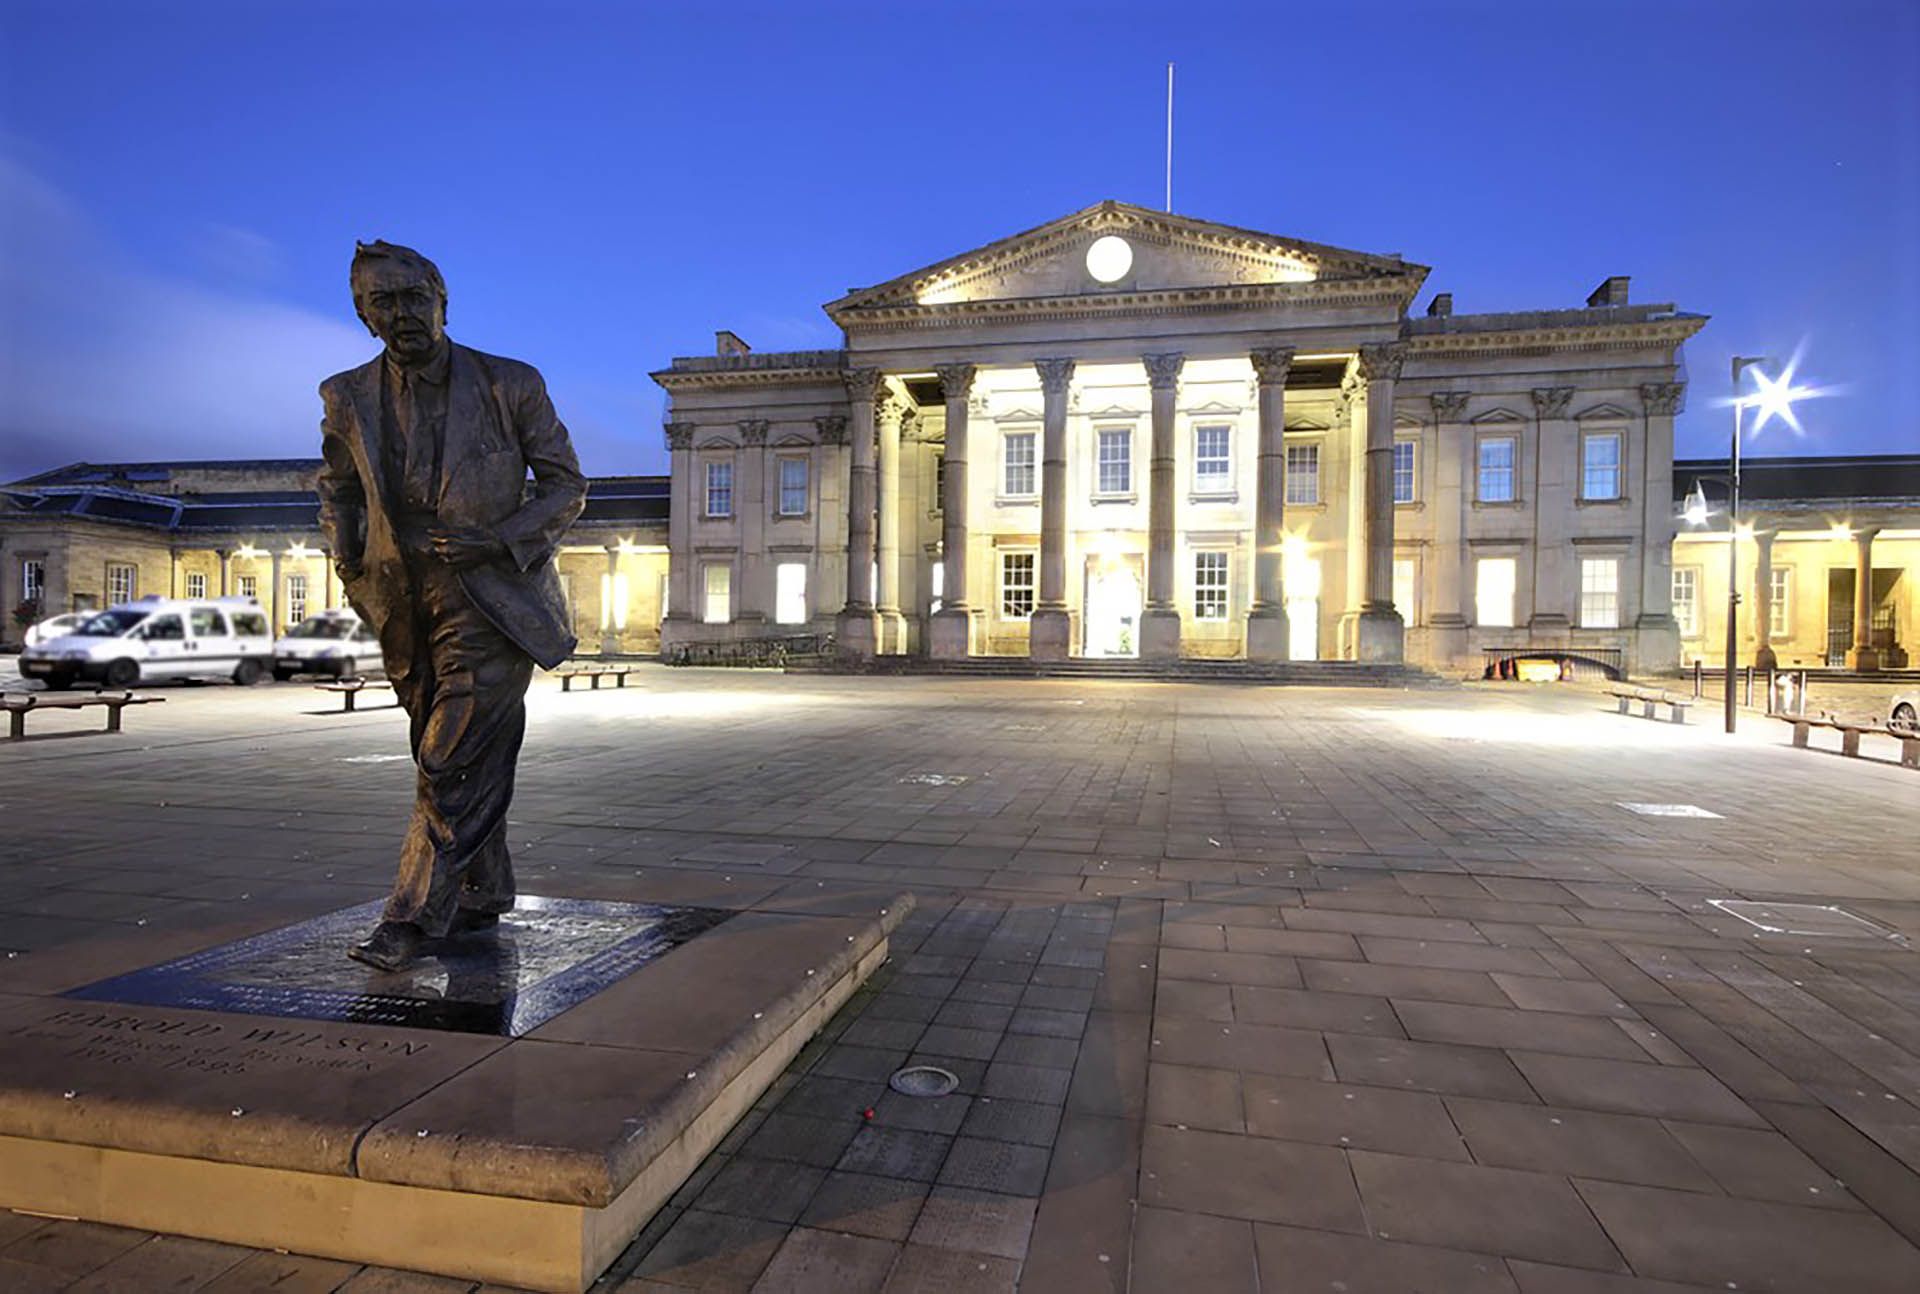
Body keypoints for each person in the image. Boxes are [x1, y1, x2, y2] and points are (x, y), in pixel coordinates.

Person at [317, 240, 586, 972]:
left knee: (447, 758)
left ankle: (411, 916)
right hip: (403, 603)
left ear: (442, 299)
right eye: (384, 302)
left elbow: (567, 486)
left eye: (413, 297)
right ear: (363, 314)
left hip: (494, 602)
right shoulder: (344, 394)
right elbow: (337, 487)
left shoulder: (511, 384)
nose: (401, 313)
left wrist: (497, 540)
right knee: (452, 755)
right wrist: (347, 559)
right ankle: (485, 885)